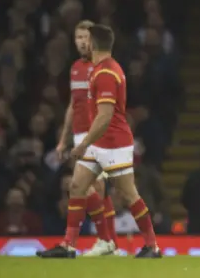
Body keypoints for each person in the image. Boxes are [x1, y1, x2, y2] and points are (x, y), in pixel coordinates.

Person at [37, 24, 161, 258]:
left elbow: (105, 117)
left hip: (114, 143)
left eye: (87, 40)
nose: (84, 43)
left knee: (128, 194)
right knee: (77, 186)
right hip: (99, 142)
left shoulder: (105, 74)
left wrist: (83, 144)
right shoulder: (102, 69)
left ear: (94, 43)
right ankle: (68, 246)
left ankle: (152, 246)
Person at [55, 20, 117, 256]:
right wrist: (64, 138)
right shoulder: (75, 68)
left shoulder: (103, 67)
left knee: (87, 186)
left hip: (96, 135)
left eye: (85, 37)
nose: (82, 42)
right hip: (79, 134)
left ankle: (100, 242)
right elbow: (73, 104)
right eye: (78, 37)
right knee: (95, 189)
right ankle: (110, 244)